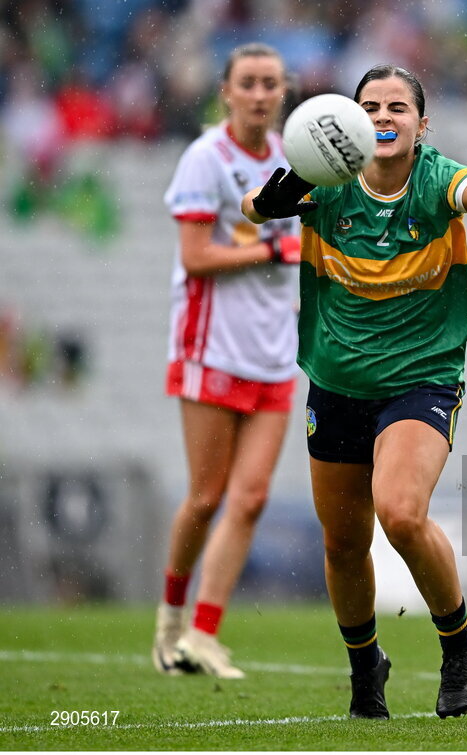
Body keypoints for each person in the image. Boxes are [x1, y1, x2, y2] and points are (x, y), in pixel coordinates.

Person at [241, 65, 467, 720]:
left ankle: (459, 646)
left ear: (423, 125)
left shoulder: (436, 179)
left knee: (399, 510)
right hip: (335, 381)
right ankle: (365, 662)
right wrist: (270, 203)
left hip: (421, 380)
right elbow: (252, 210)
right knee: (342, 541)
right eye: (371, 106)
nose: (384, 115)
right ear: (353, 119)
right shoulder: (325, 180)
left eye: (399, 106)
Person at [153, 42, 303, 680]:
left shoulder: (297, 161)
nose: (262, 94)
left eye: (272, 82)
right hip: (210, 346)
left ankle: (203, 636)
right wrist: (271, 254)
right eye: (250, 83)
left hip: (273, 351)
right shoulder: (206, 158)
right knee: (207, 496)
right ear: (227, 92)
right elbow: (195, 256)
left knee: (250, 498)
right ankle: (169, 622)